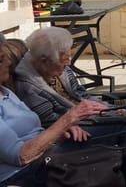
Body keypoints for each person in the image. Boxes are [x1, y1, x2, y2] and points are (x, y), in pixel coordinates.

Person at [0, 39, 109, 186]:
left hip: (47, 154)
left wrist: (60, 131)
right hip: (24, 172)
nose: (8, 63)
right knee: (115, 139)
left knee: (121, 132)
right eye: (1, 60)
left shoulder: (5, 92)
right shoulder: (28, 86)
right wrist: (67, 120)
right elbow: (22, 156)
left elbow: (34, 132)